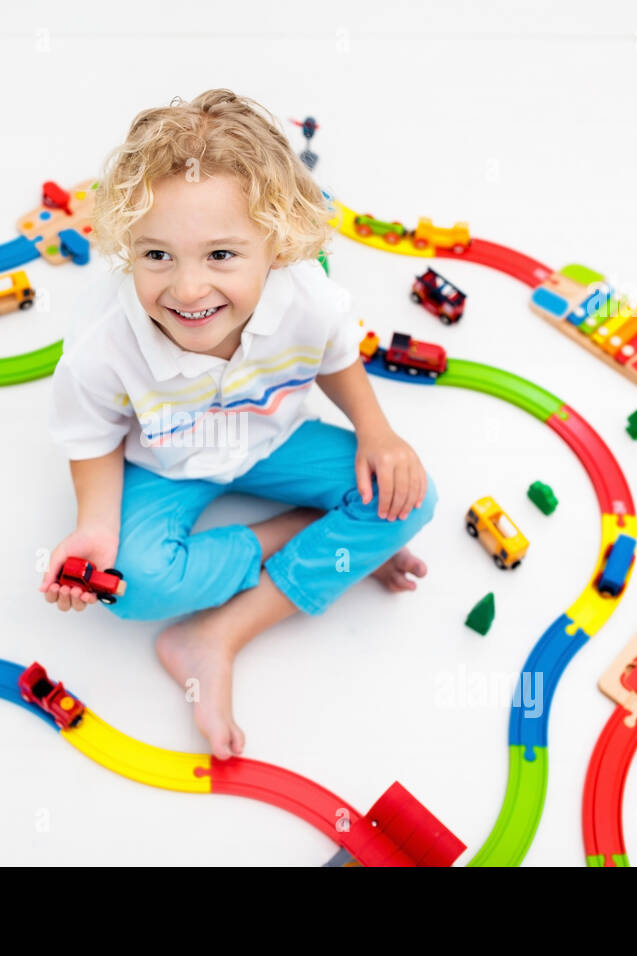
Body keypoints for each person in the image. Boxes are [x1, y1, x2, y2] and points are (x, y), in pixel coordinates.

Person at [40, 89, 437, 759]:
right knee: (132, 588)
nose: (188, 289)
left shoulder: (307, 294)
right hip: (165, 463)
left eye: (221, 255)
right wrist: (95, 527)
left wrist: (377, 432)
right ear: (126, 246)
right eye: (157, 256)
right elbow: (92, 437)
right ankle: (309, 536)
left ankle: (219, 634)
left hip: (269, 441)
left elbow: (336, 358)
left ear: (276, 246)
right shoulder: (100, 345)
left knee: (410, 495)